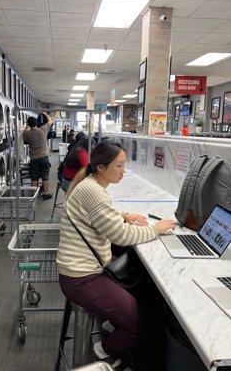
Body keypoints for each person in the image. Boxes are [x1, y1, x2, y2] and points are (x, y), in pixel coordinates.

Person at [56, 141, 176, 368]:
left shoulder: (91, 184)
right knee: (139, 321)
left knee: (138, 302)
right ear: (101, 167)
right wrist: (156, 229)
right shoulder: (93, 190)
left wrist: (122, 214)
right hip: (80, 278)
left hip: (83, 272)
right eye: (119, 166)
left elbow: (96, 213)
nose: (123, 171)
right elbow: (121, 236)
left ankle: (112, 327)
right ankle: (103, 351)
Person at [23, 112, 54, 200]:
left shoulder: (27, 133)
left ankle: (34, 195)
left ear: (29, 124)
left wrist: (27, 125)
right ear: (37, 123)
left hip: (34, 159)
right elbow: (50, 121)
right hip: (44, 157)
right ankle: (46, 193)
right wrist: (45, 114)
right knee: (45, 176)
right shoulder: (43, 129)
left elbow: (24, 131)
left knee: (34, 176)